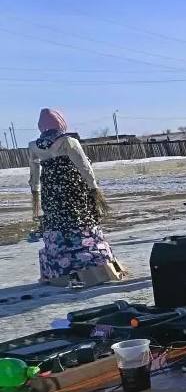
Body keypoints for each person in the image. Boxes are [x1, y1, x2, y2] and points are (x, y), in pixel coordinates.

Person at [28, 108, 125, 287]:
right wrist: (94, 188)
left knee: (57, 223)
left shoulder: (35, 146)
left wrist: (36, 191)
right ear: (61, 122)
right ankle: (93, 267)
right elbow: (84, 167)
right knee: (80, 221)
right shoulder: (68, 141)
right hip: (73, 190)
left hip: (52, 192)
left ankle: (60, 271)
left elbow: (34, 172)